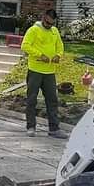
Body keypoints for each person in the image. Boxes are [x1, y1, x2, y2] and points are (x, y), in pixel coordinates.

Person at [21, 8, 67, 138]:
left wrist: (58, 55)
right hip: (35, 70)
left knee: (52, 100)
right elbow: (25, 45)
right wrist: (40, 55)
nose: (49, 26)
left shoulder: (54, 31)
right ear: (43, 18)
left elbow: (60, 46)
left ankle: (54, 128)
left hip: (50, 72)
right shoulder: (33, 30)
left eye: (52, 23)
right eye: (47, 23)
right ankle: (31, 126)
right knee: (31, 99)